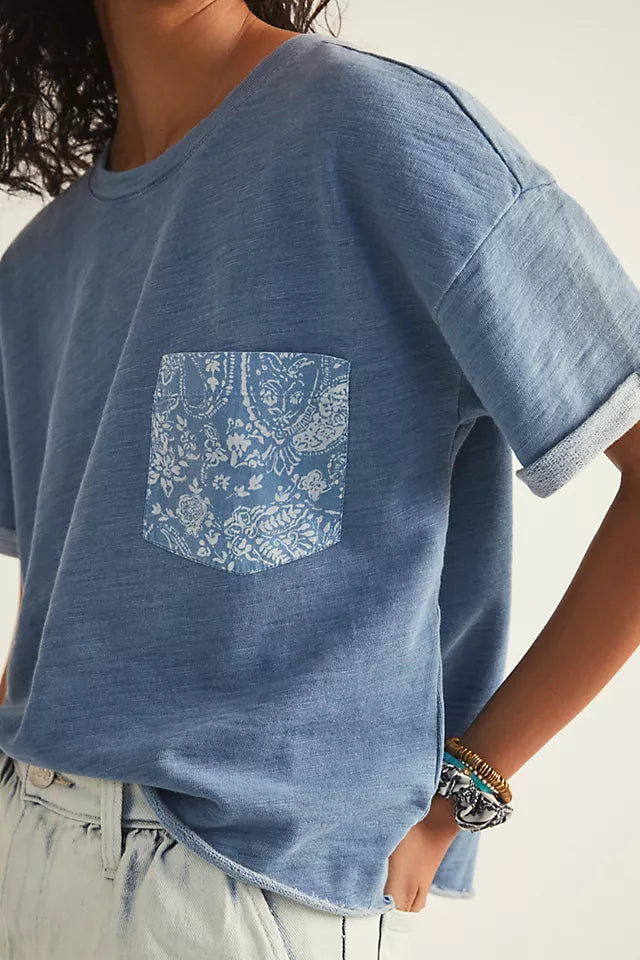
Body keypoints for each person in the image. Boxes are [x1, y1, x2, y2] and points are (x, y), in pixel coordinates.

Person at [1, 1, 639, 957]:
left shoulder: (381, 134)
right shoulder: (42, 264)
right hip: (24, 844)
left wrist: (468, 788)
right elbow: (61, 592)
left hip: (237, 883)